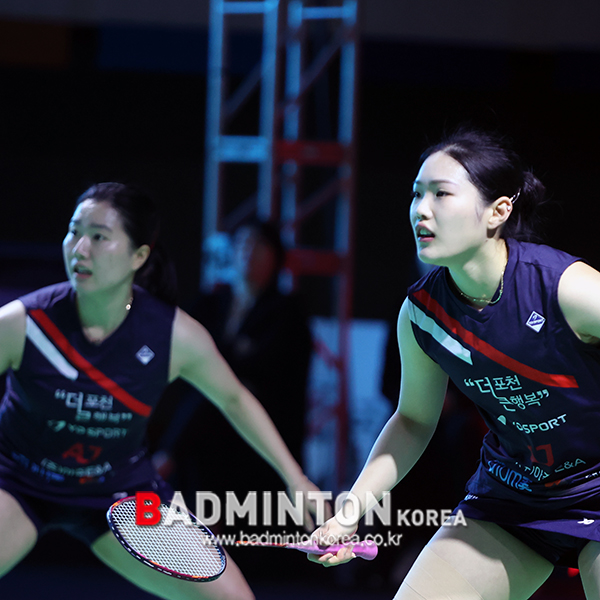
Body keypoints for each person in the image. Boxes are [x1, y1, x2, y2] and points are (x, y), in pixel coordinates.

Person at [309, 128, 600, 599]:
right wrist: (349, 512)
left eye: (441, 194)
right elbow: (412, 420)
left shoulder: (566, 288)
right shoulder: (422, 315)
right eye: (416, 194)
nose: (421, 210)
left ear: (498, 211)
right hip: (515, 492)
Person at [0, 182, 322, 600]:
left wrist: (296, 479)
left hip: (121, 492)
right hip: (19, 480)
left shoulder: (174, 335)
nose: (80, 248)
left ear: (139, 256)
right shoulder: (23, 323)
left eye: (98, 236)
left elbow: (234, 399)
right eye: (74, 232)